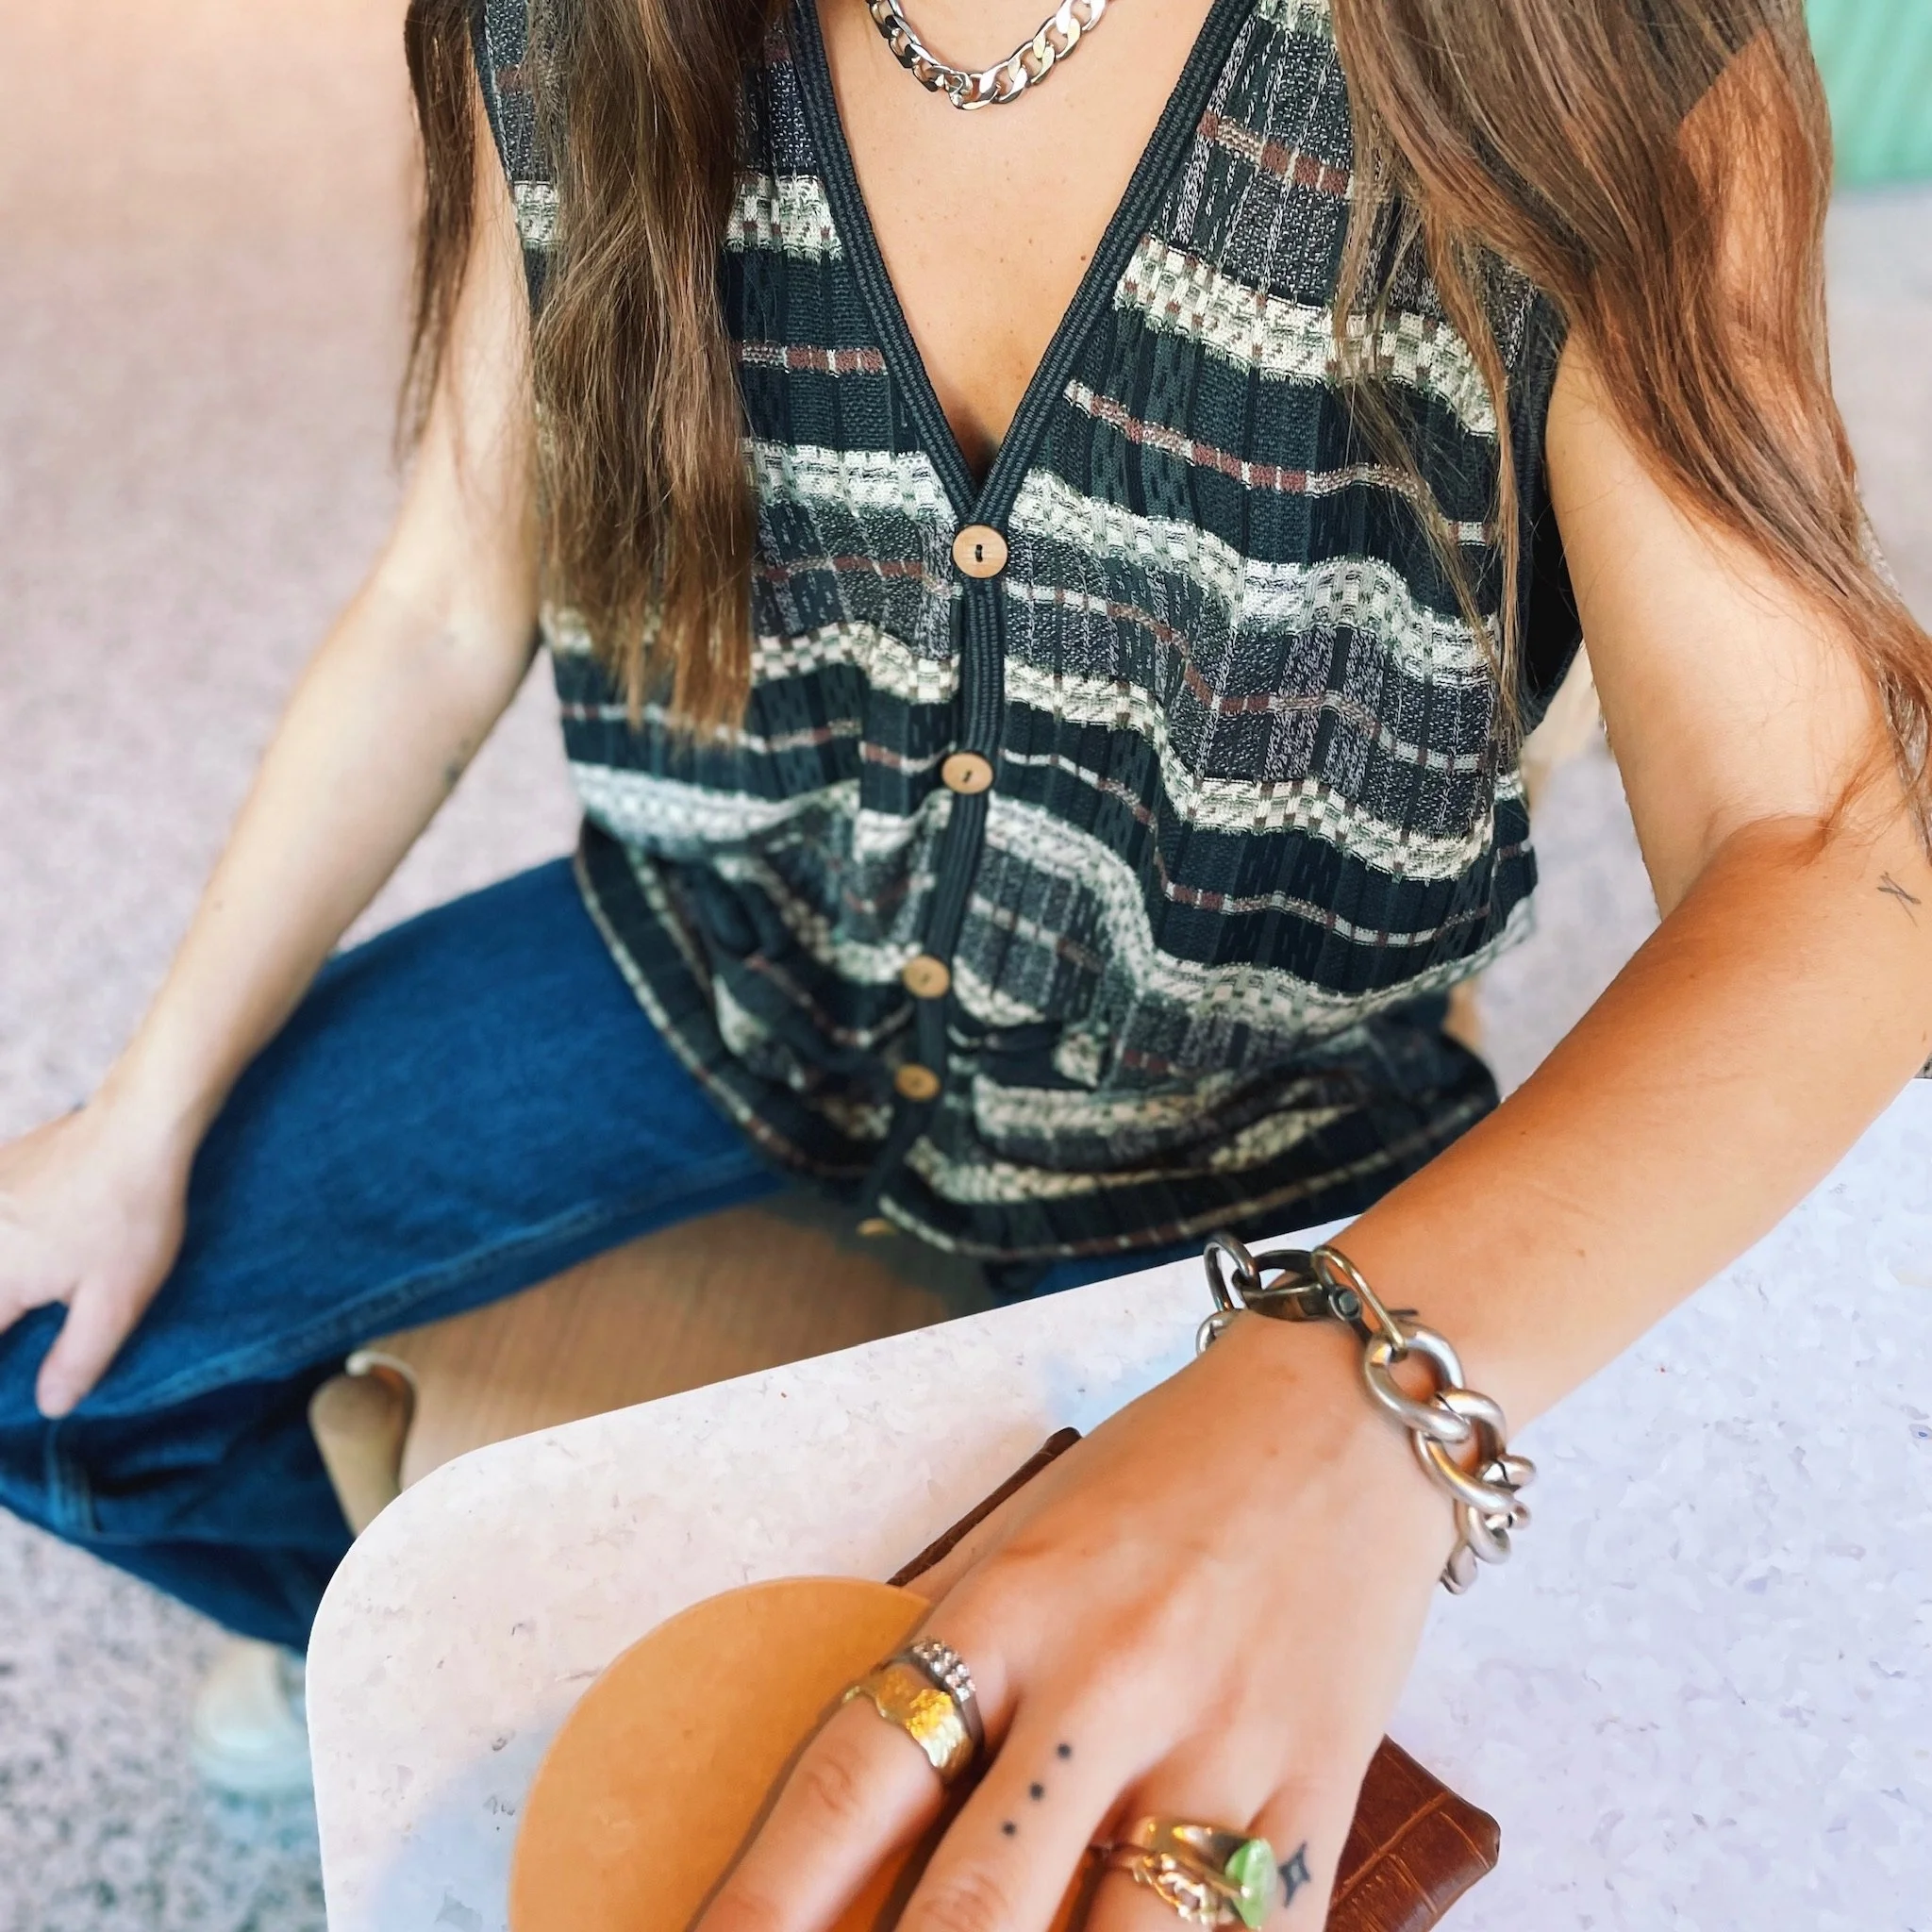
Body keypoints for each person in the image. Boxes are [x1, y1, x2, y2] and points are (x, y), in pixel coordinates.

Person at [1, 0, 1926, 1909]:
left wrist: (1344, 1396)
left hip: (1252, 1110)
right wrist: (138, 1112)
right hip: (730, 950)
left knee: (1392, 1796)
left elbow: (1830, 851)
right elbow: (442, 598)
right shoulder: (574, 30)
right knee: (43, 1361)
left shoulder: (1589, 55)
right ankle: (481, 1699)